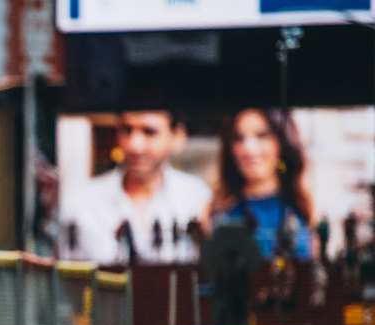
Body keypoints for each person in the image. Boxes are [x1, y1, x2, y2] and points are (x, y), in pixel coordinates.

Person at [206, 108, 324, 314]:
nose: (249, 148)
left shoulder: (305, 209)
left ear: (282, 141)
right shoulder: (216, 211)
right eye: (238, 138)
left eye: (262, 135)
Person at [60, 110, 211, 265]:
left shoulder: (197, 198)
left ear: (177, 136)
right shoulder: (80, 202)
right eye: (127, 130)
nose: (135, 145)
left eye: (149, 132)